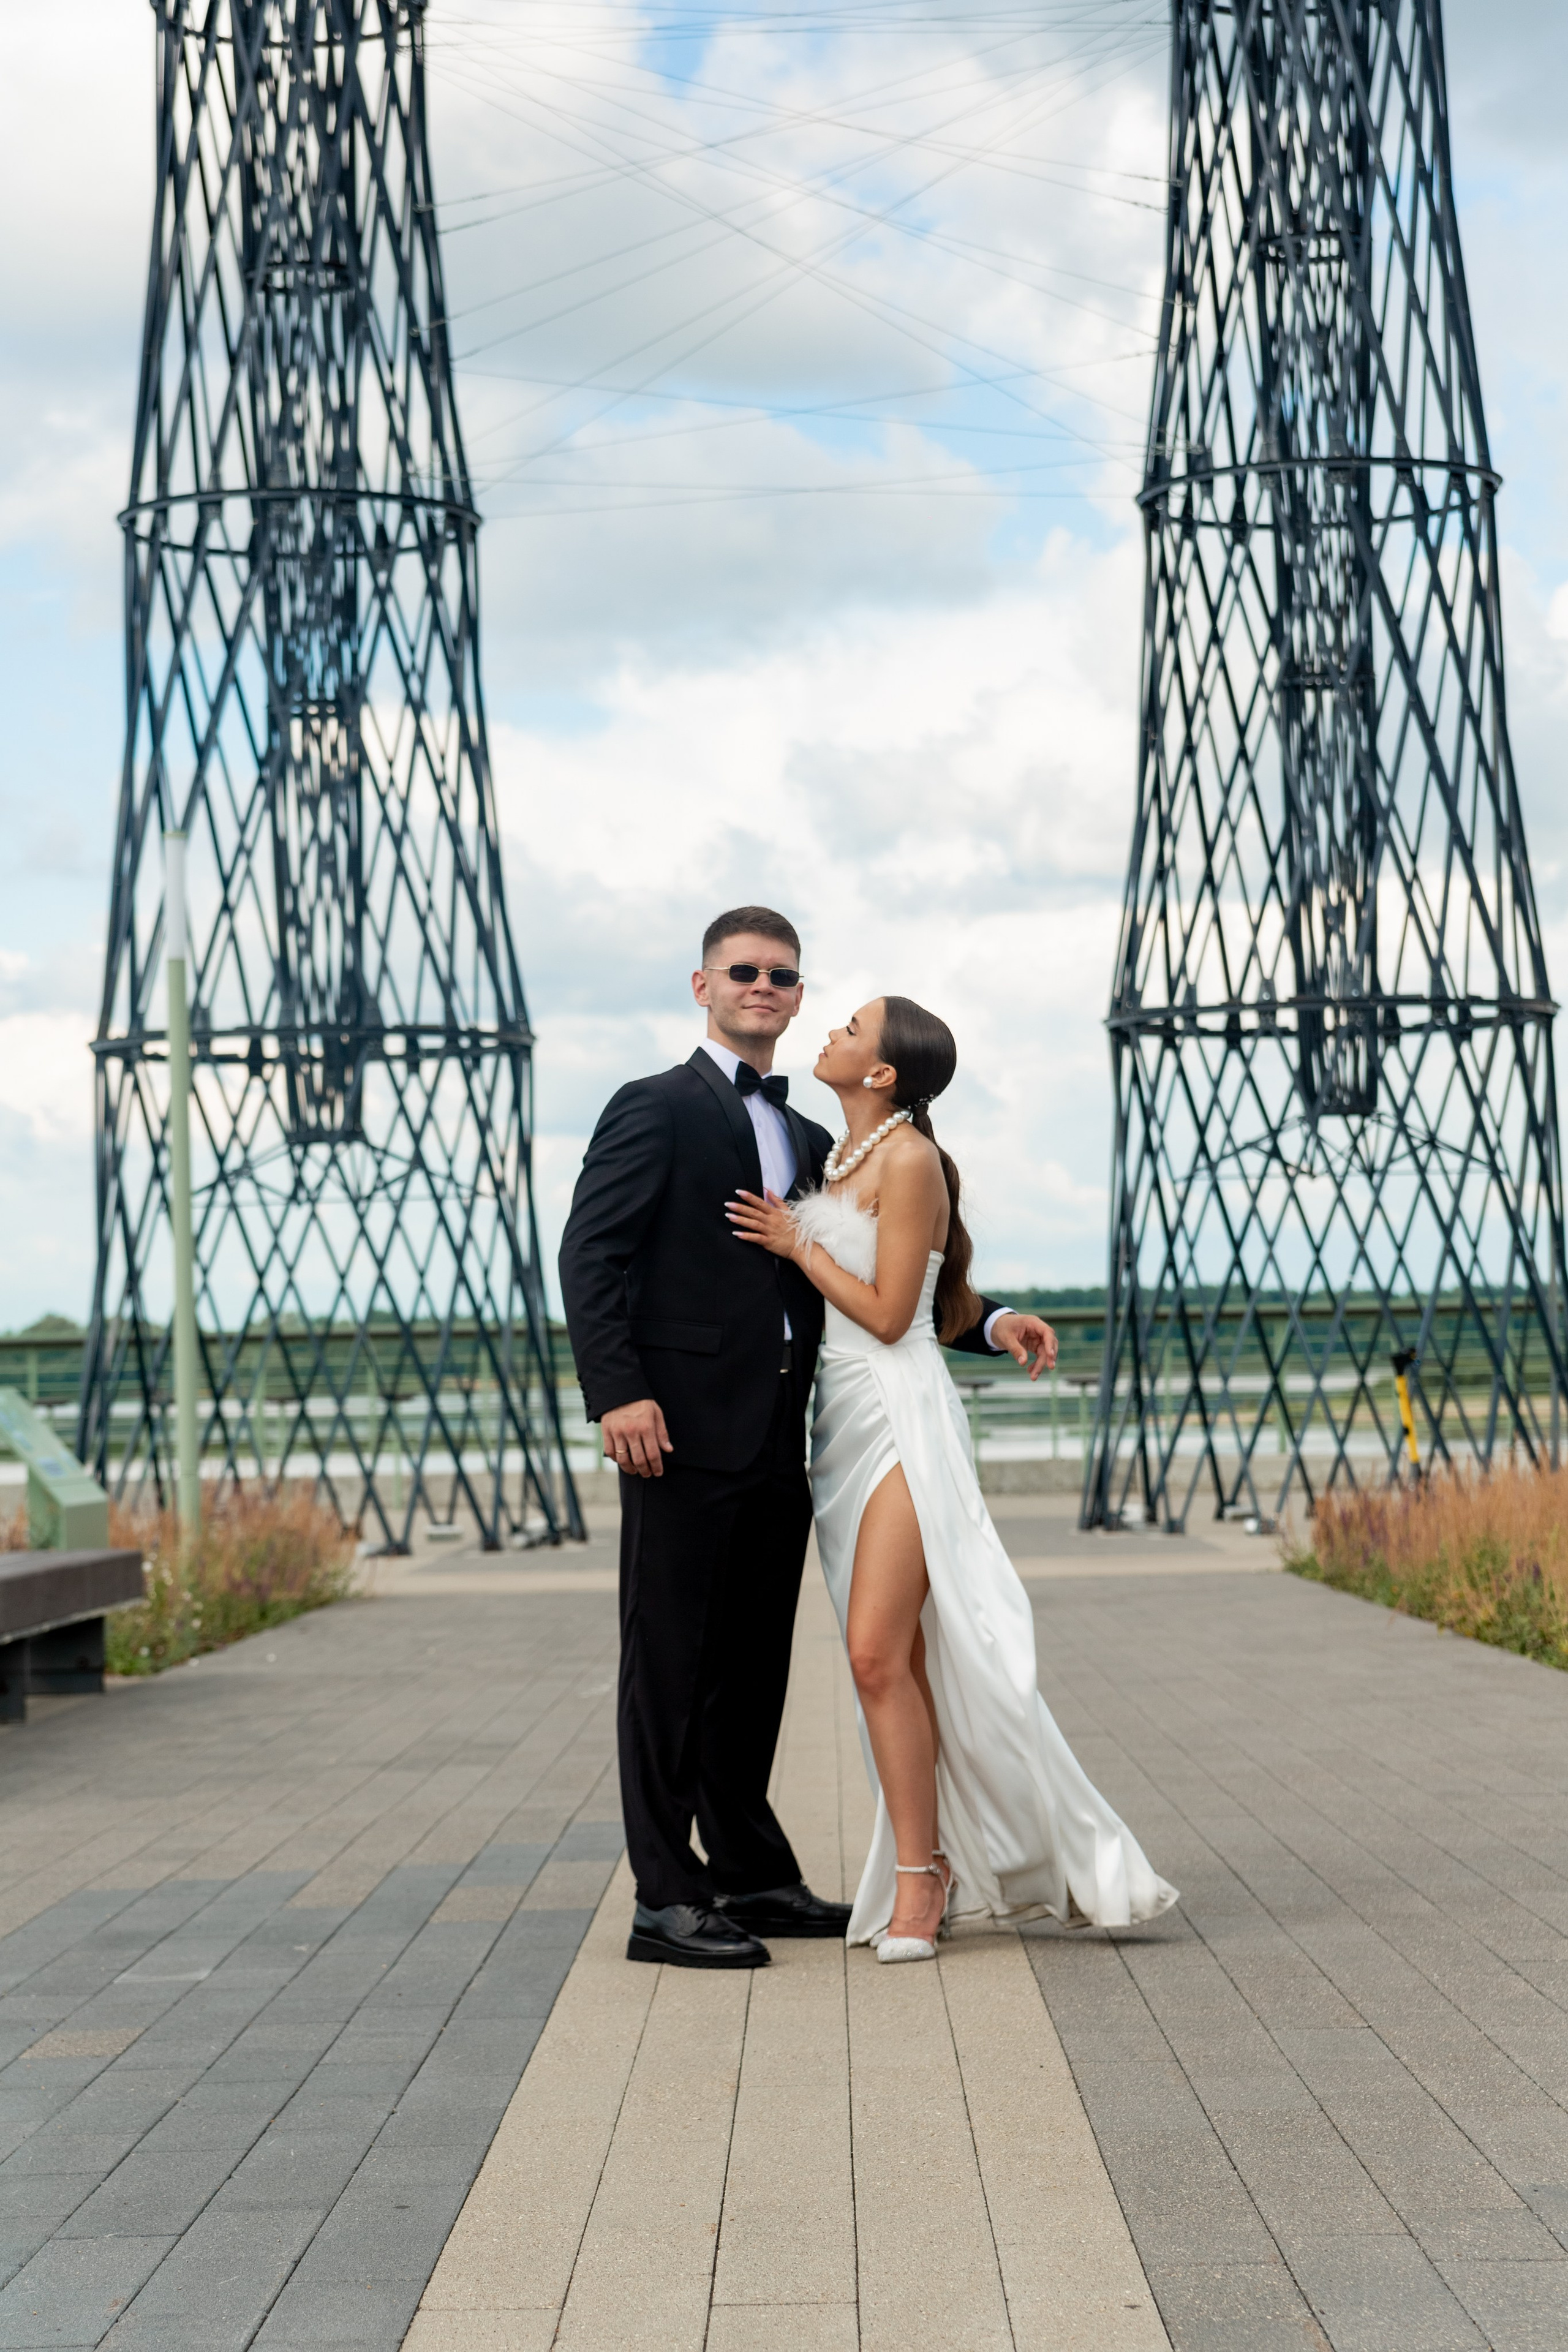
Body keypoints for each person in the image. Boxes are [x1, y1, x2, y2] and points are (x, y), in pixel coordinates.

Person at [559, 911, 1057, 1969]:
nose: (766, 989)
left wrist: (997, 1319)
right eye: (744, 972)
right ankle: (665, 1896)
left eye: (784, 977)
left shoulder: (823, 1144)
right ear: (703, 984)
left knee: (753, 1670)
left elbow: (890, 1282)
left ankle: (750, 1871)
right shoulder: (653, 1109)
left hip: (797, 1439)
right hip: (679, 1435)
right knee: (669, 1668)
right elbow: (590, 1254)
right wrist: (619, 1394)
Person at [727, 994, 1177, 1959]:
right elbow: (938, 1294)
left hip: (898, 1415)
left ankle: (921, 1882)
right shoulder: (834, 1154)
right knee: (899, 1663)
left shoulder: (909, 1157)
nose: (832, 1032)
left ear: (882, 1072)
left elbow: (894, 1315)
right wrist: (998, 1315)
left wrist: (796, 1242)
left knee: (875, 1654)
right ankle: (938, 1862)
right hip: (837, 1426)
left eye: (851, 1029)